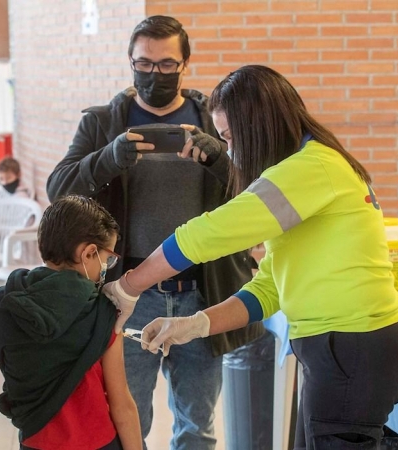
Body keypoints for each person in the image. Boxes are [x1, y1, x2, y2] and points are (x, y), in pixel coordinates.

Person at [105, 65, 398, 449]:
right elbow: (269, 289)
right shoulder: (309, 168)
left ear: (259, 127)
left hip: (351, 347)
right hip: (344, 350)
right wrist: (196, 324)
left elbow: (207, 234)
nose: (231, 150)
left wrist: (128, 284)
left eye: (231, 137)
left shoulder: (310, 168)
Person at [46, 16, 263, 449]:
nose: (154, 75)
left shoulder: (213, 120)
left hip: (203, 291)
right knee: (128, 420)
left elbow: (261, 192)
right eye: (143, 64)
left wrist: (220, 160)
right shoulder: (104, 122)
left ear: (186, 64)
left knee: (197, 423)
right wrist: (107, 158)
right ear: (130, 62)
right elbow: (58, 189)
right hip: (129, 293)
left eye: (166, 65)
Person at [0, 195, 141, 450]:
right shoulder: (102, 313)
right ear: (89, 253)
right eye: (108, 258)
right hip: (97, 442)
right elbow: (121, 403)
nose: (107, 267)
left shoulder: (5, 305)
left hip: (37, 441)